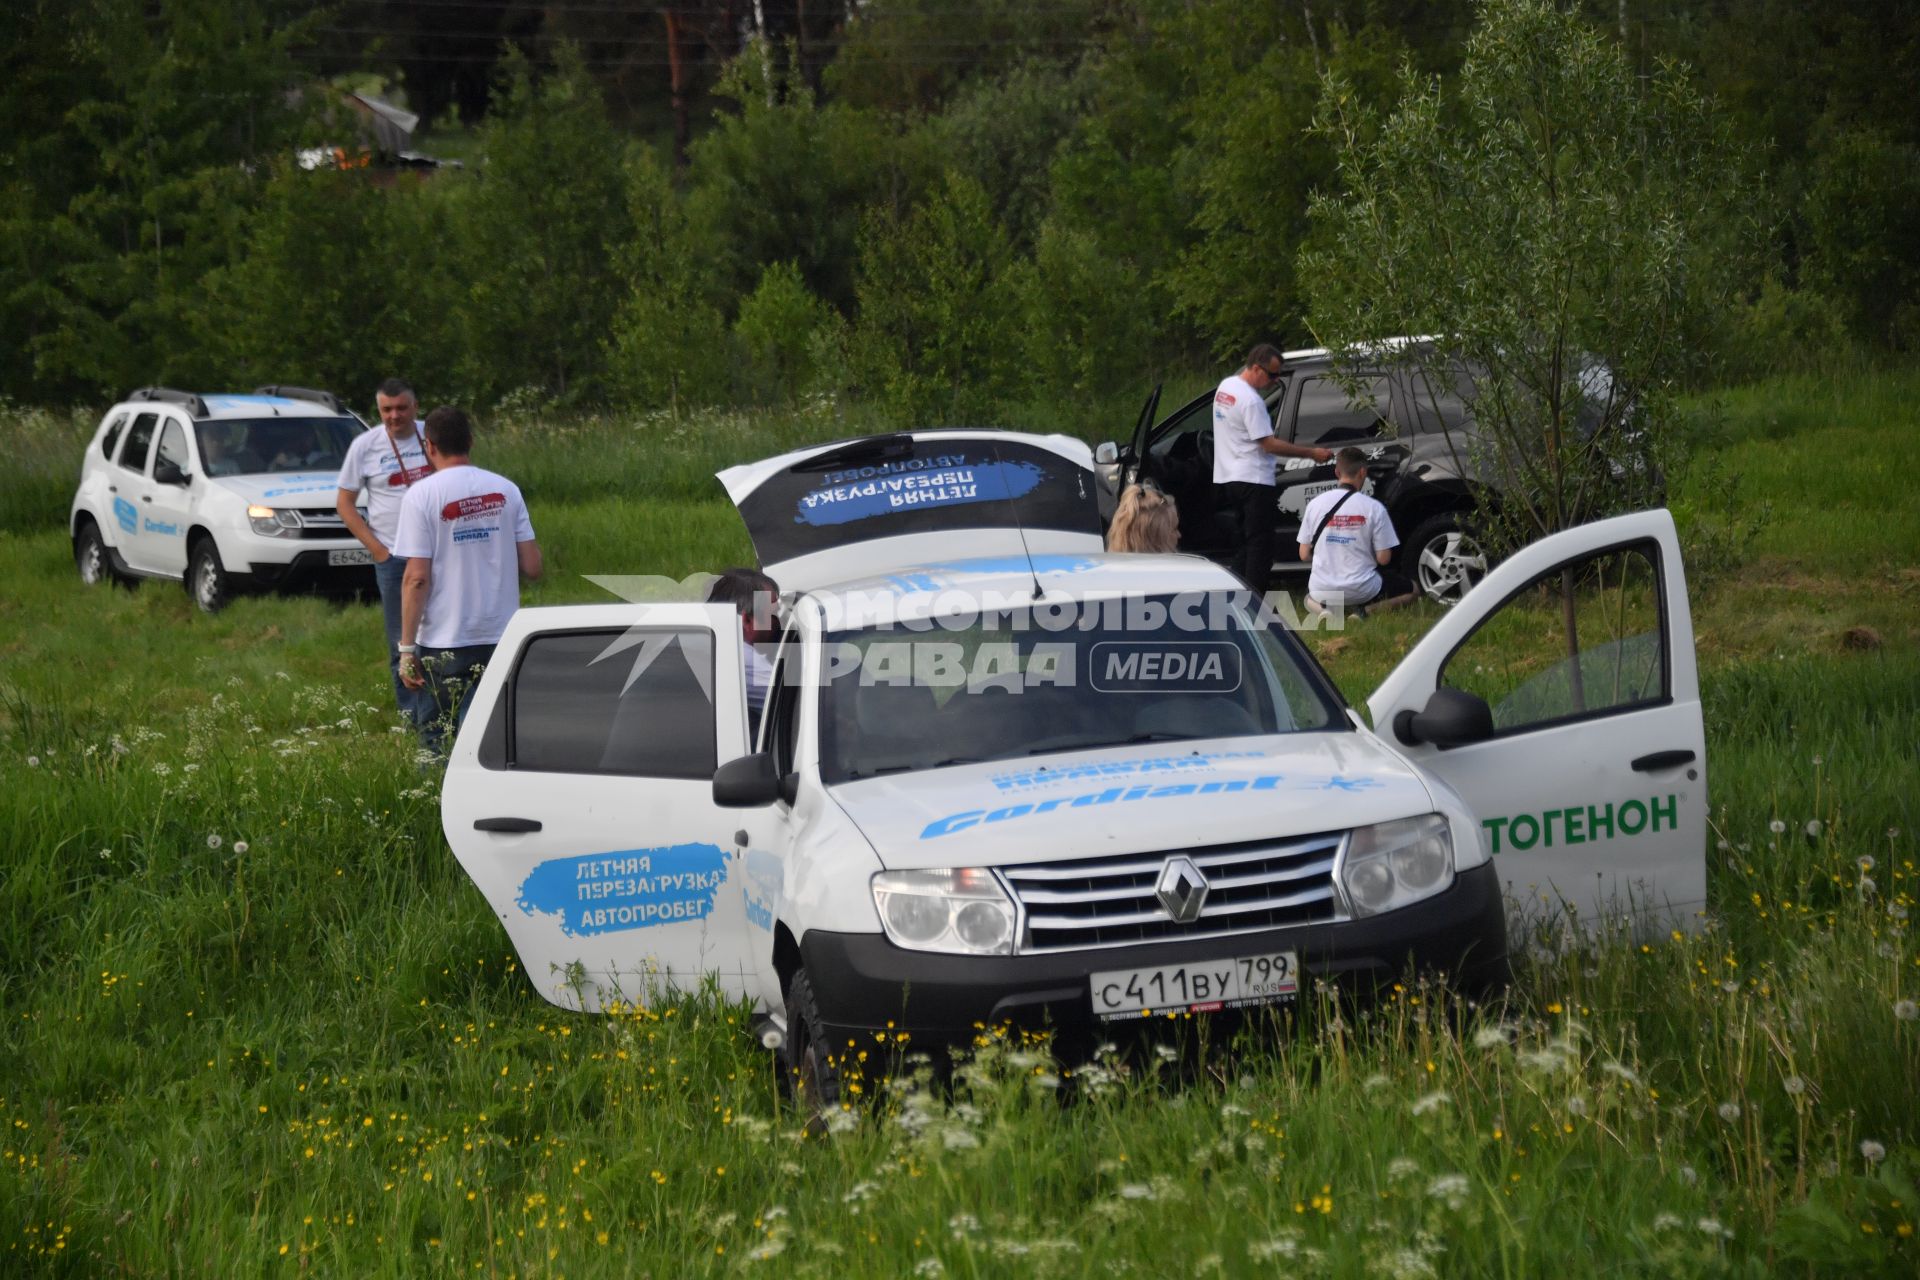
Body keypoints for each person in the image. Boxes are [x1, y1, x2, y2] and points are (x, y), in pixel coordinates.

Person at [394, 406, 542, 756]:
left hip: (445, 638)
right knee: (495, 739)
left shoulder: (421, 496)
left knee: (436, 738)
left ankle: (436, 805)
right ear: (471, 442)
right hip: (502, 634)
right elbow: (533, 566)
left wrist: (405, 649)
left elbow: (416, 578)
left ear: (429, 446)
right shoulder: (506, 489)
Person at [336, 378, 435, 725]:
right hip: (394, 557)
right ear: (378, 410)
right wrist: (378, 551)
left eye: (402, 408)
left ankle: (446, 709)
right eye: (386, 410)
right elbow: (345, 504)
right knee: (402, 641)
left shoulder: (432, 436)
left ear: (415, 407)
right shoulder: (365, 446)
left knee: (443, 632)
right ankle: (413, 720)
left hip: (440, 552)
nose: (394, 416)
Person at [1212, 343, 1333, 591]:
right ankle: (1255, 599)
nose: (1275, 381)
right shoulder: (1251, 401)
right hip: (1254, 480)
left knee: (1247, 543)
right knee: (1261, 546)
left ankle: (1233, 591)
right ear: (1256, 368)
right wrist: (1311, 453)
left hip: (1229, 477)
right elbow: (1268, 444)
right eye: (1272, 374)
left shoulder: (1226, 388)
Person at [1297, 446, 1417, 616]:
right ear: (1362, 472)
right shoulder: (1375, 508)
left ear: (1337, 473)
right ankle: (1365, 612)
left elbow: (1303, 555)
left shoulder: (1314, 504)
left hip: (1322, 590)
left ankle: (1326, 612)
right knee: (1413, 590)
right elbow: (1384, 559)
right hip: (1363, 590)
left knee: (1309, 598)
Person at [707, 567, 781, 730]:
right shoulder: (741, 659)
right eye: (772, 616)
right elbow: (798, 705)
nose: (777, 624)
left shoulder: (712, 648)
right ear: (747, 620)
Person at [1106, 482, 1180, 553]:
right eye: (1174, 529)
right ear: (1154, 539)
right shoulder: (1178, 565)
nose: (1179, 535)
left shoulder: (1108, 564)